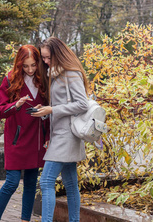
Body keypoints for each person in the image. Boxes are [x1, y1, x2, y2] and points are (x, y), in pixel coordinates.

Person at [32, 37, 89, 222]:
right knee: (71, 184)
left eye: (48, 57)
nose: (46, 62)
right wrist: (46, 112)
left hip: (68, 136)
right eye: (44, 58)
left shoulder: (71, 74)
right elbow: (60, 105)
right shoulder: (55, 74)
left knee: (47, 181)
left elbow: (82, 104)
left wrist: (53, 109)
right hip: (60, 134)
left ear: (58, 54)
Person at [0, 45, 49, 222]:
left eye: (33, 65)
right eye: (26, 66)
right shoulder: (9, 79)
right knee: (12, 182)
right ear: (19, 64)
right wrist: (15, 106)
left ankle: (25, 220)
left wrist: (47, 133)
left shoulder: (44, 80)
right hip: (16, 138)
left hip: (36, 138)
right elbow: (0, 111)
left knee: (31, 184)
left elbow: (50, 109)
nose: (30, 70)